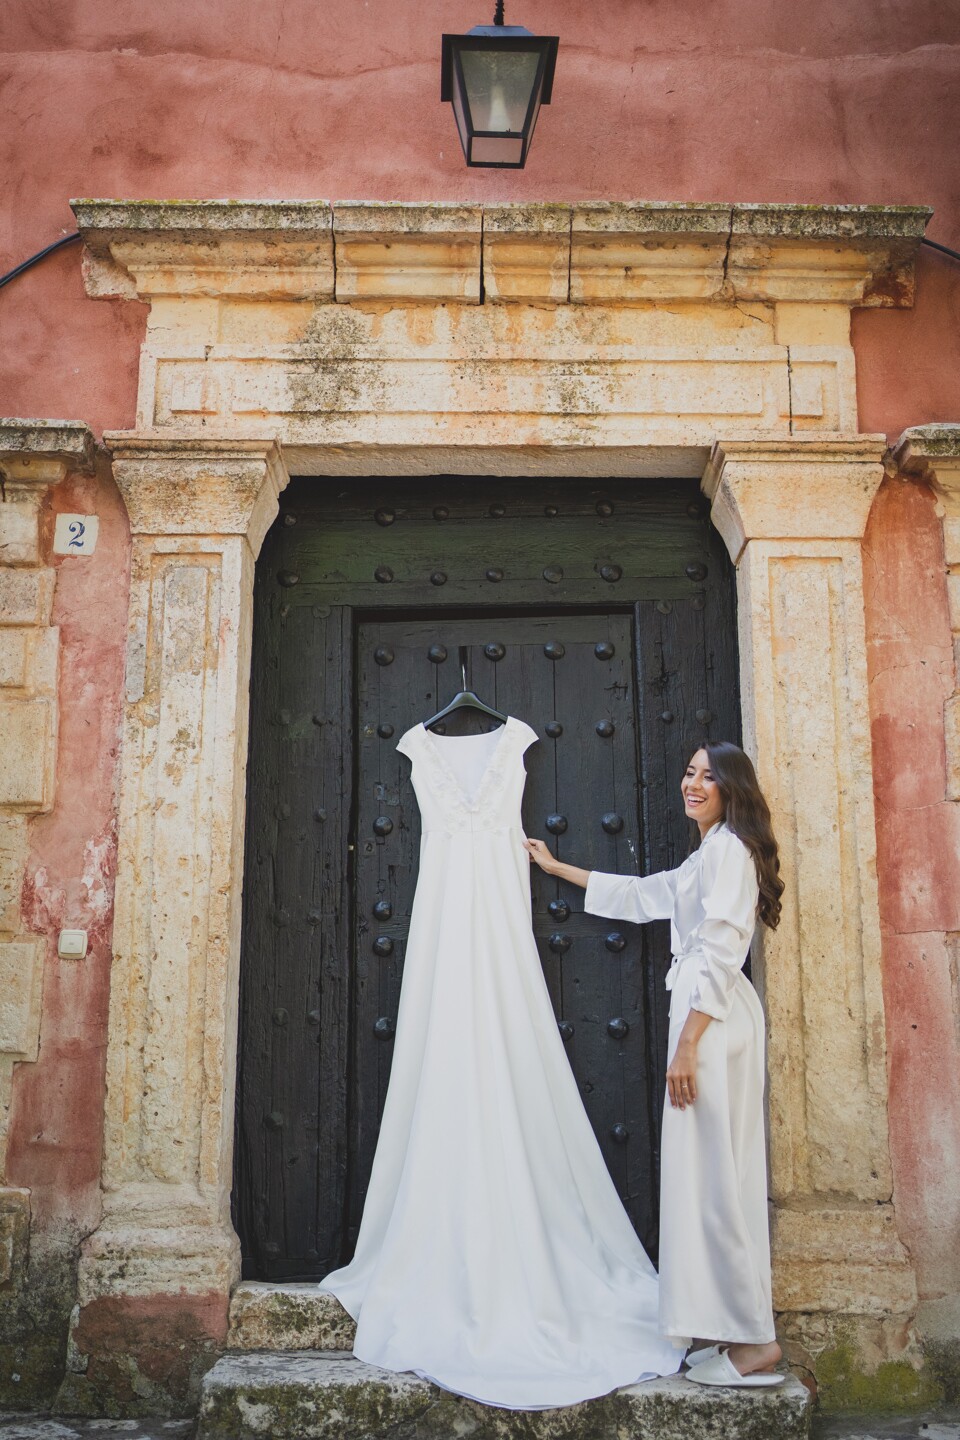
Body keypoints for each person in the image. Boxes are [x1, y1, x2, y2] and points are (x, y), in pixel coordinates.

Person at [525, 740, 786, 1388]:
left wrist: (689, 1044)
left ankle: (755, 1344)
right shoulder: (713, 851)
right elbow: (649, 895)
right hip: (711, 1013)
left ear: (732, 789)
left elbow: (724, 946)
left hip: (711, 1017)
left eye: (707, 776)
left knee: (716, 1181)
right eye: (688, 771)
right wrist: (559, 870)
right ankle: (732, 1329)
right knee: (714, 1177)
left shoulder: (727, 851)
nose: (691, 783)